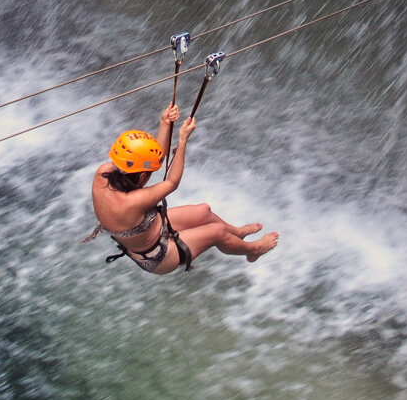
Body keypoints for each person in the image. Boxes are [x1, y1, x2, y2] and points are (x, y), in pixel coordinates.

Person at [87, 101, 278, 274]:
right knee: (217, 232)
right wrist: (183, 140)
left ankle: (238, 233)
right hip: (158, 256)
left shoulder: (103, 173)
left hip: (152, 229)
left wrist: (164, 123)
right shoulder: (133, 202)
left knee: (204, 211)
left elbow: (154, 161)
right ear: (143, 175)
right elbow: (171, 182)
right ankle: (253, 251)